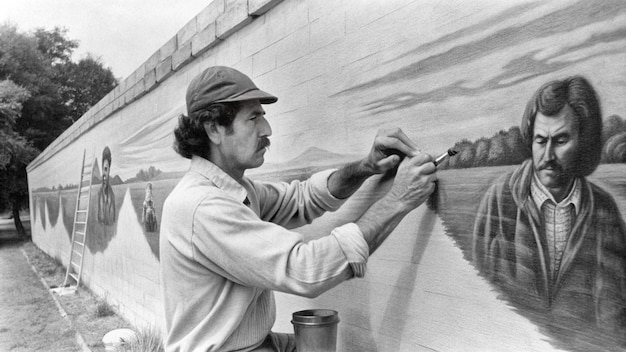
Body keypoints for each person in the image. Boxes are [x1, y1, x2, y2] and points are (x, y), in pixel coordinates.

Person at [159, 66, 437, 352]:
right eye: (253, 118)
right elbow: (305, 270)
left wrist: (366, 167)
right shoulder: (203, 206)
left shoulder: (231, 190)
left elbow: (299, 199)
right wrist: (399, 199)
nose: (267, 131)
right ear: (213, 128)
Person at [472, 76, 626, 347]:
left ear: (584, 142)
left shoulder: (604, 212)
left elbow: (614, 316)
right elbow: (476, 295)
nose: (548, 155)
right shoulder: (499, 200)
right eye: (541, 140)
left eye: (561, 140)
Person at [97, 146, 116, 225]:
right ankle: (103, 218)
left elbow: (105, 175)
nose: (104, 173)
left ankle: (108, 219)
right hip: (104, 189)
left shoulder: (110, 194)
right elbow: (104, 175)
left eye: (106, 169)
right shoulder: (101, 193)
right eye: (103, 169)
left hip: (106, 189)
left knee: (109, 199)